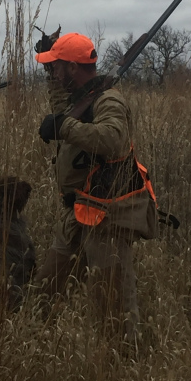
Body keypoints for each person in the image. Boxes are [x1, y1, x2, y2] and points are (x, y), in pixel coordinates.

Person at [35, 32, 158, 346]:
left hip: (107, 219)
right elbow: (63, 108)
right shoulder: (79, 96)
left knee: (114, 313)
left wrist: (63, 127)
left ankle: (122, 365)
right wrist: (50, 70)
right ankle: (35, 347)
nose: (54, 72)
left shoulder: (108, 100)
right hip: (77, 213)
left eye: (57, 67)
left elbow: (113, 140)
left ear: (73, 68)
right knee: (44, 293)